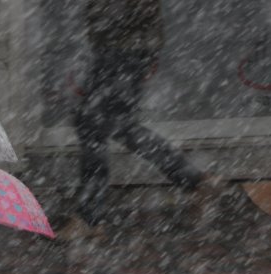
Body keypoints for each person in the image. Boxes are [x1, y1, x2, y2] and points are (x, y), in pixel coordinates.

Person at [67, 0, 224, 239]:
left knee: (93, 127)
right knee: (116, 125)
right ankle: (194, 180)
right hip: (121, 51)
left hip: (121, 53)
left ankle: (89, 216)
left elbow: (126, 12)